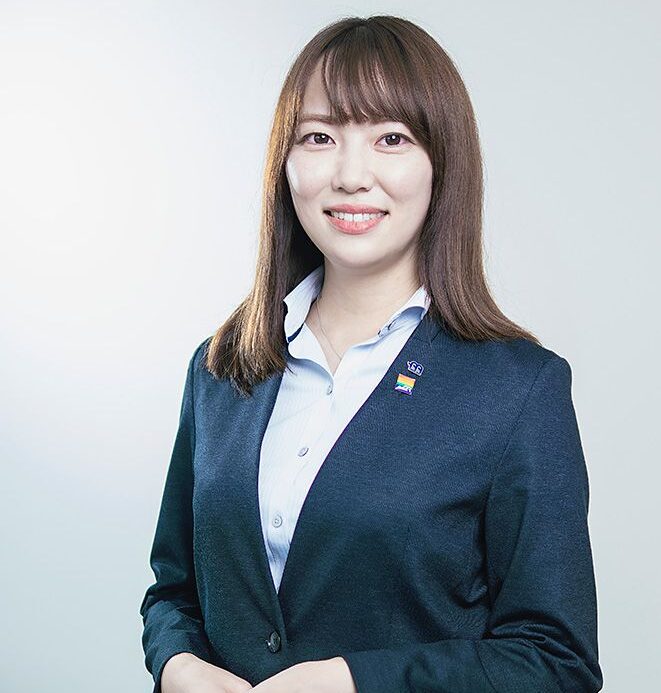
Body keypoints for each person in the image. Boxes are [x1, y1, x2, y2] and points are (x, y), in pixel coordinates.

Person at [140, 14, 603, 693]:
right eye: (319, 137)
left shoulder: (517, 388)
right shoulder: (222, 367)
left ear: (441, 163)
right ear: (284, 162)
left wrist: (354, 681)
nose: (351, 175)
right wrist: (179, 666)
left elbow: (555, 661)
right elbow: (173, 592)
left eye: (391, 138)